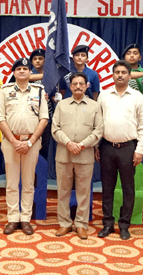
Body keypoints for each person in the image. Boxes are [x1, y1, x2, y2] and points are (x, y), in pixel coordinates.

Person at [97, 61, 143, 240]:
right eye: (117, 72)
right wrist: (97, 146)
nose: (120, 75)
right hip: (106, 147)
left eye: (123, 72)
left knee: (128, 188)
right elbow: (98, 123)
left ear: (130, 75)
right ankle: (107, 223)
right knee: (107, 187)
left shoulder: (137, 97)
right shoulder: (104, 96)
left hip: (129, 148)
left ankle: (124, 225)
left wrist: (139, 150)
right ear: (112, 75)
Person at [0, 58, 49, 235]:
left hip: (31, 143)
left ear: (30, 73)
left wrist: (29, 142)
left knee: (28, 183)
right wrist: (13, 141)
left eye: (25, 69)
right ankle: (12, 219)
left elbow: (44, 119)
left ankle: (25, 218)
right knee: (11, 183)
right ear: (13, 73)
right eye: (18, 69)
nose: (21, 71)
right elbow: (0, 118)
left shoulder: (39, 91)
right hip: (10, 142)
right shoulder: (5, 91)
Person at [52, 72, 103, 239]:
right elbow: (55, 128)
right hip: (64, 153)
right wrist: (68, 143)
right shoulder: (61, 105)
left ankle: (81, 224)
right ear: (70, 86)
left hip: (85, 154)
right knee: (63, 191)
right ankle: (64, 223)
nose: (78, 86)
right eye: (75, 84)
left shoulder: (95, 106)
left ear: (87, 86)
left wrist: (81, 145)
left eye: (82, 83)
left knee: (83, 191)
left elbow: (98, 130)